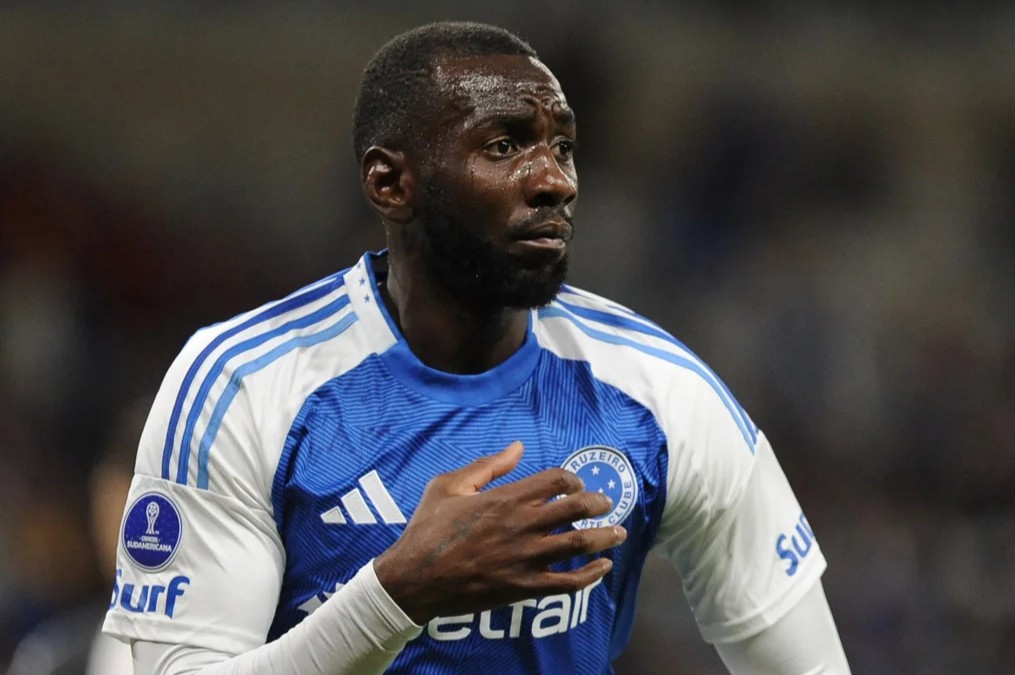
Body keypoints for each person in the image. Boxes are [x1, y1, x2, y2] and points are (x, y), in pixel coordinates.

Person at [102, 21, 851, 674]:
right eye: (504, 145)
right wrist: (399, 592)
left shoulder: (659, 393)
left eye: (563, 147)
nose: (555, 180)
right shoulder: (244, 385)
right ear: (390, 184)